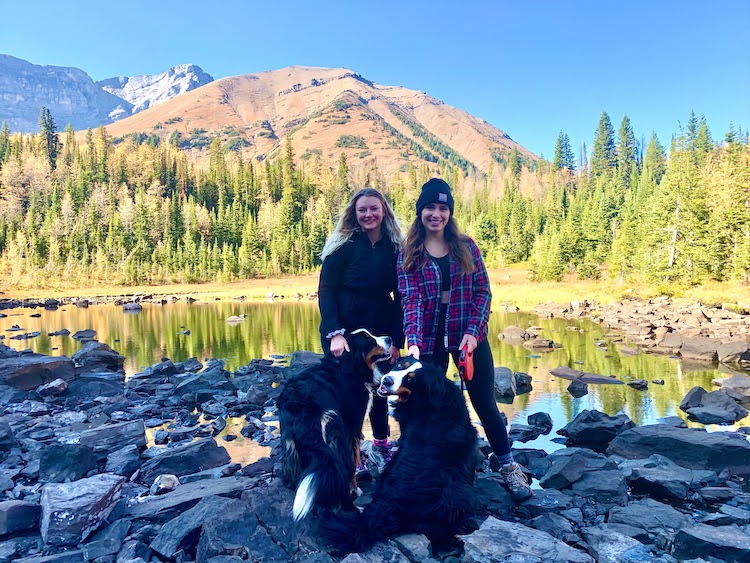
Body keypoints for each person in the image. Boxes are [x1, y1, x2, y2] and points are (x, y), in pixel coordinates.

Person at [397, 178, 532, 501]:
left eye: (443, 208)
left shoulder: (467, 246)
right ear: (420, 211)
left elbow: (482, 292)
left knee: (485, 403)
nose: (436, 214)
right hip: (427, 342)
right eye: (430, 207)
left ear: (450, 213)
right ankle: (424, 470)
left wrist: (474, 332)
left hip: (468, 339)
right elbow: (409, 298)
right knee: (425, 407)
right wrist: (412, 340)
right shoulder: (409, 252)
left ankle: (509, 467)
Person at [318, 187, 404, 470]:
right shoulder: (343, 246)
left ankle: (381, 446)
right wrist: (335, 333)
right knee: (347, 393)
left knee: (380, 390)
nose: (368, 214)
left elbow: (401, 296)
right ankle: (350, 454)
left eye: (374, 209)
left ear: (384, 211)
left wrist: (396, 340)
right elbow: (326, 290)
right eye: (362, 210)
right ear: (354, 214)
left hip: (379, 328)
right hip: (344, 333)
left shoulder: (395, 247)